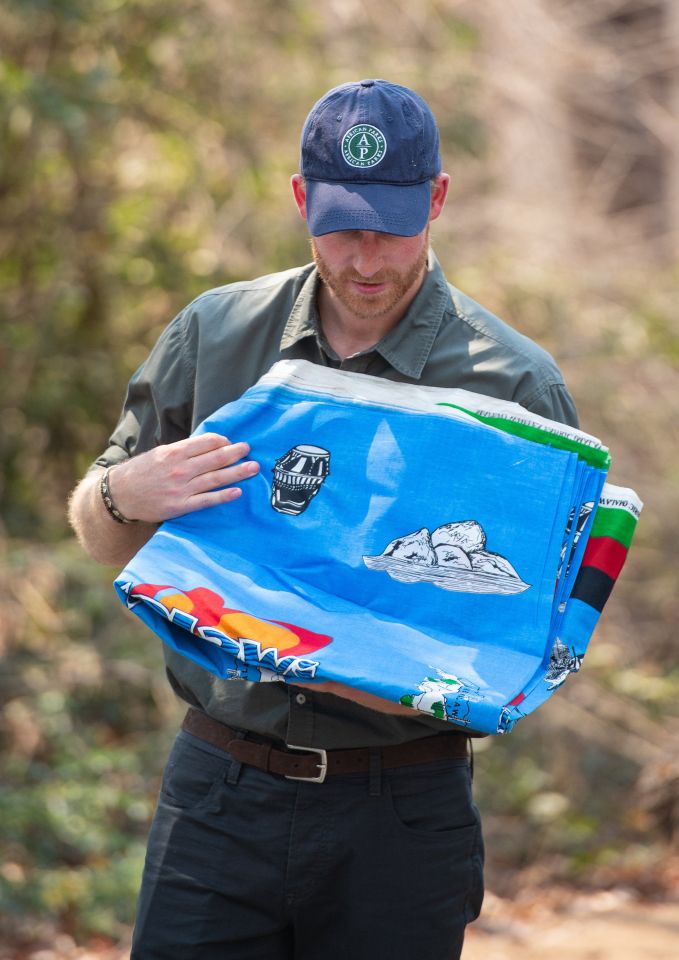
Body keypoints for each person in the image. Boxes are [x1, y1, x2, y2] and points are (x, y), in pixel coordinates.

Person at [69, 79, 578, 959]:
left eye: (393, 225)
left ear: (439, 199)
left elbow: (529, 642)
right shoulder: (217, 335)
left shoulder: (511, 390)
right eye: (342, 226)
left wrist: (386, 671)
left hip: (400, 814)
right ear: (301, 198)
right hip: (219, 795)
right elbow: (101, 531)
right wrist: (122, 496)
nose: (366, 259)